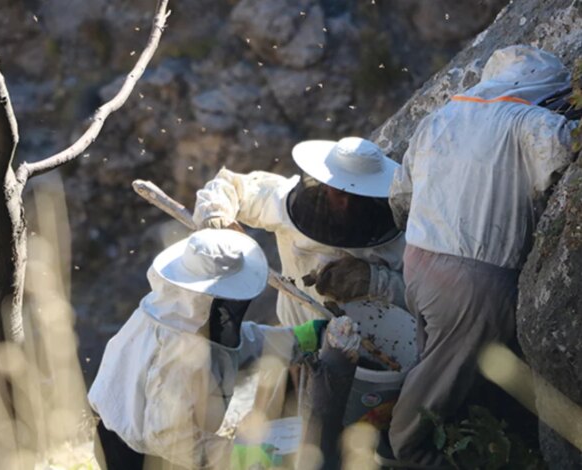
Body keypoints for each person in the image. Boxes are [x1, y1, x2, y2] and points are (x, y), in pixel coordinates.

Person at [386, 45, 577, 467]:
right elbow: (564, 152)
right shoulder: (528, 121)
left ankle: (454, 437)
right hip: (471, 283)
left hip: (418, 264)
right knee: (435, 384)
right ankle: (407, 451)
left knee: (441, 368)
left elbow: (400, 196)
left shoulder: (438, 120)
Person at [88, 229, 355, 469]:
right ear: (206, 298)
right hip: (136, 452)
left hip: (147, 434)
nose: (233, 306)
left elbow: (234, 344)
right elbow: (168, 437)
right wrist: (236, 455)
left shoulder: (181, 312)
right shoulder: (178, 353)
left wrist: (301, 338)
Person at [193, 136, 406, 327]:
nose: (347, 204)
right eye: (340, 193)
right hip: (294, 335)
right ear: (326, 184)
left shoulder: (398, 238)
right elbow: (228, 186)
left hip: (369, 345)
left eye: (358, 197)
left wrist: (377, 281)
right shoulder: (286, 203)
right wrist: (216, 218)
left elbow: (425, 298)